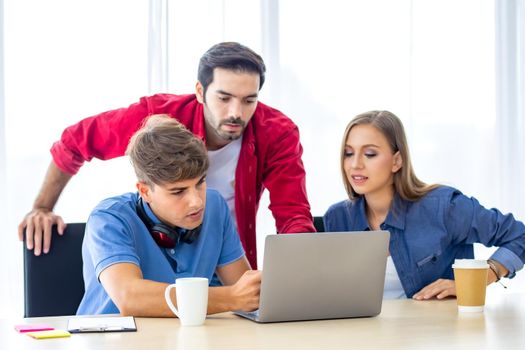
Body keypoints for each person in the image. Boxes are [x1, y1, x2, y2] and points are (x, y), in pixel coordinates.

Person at [18, 42, 314, 267]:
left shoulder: (277, 132)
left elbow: (293, 214)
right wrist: (42, 207)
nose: (236, 113)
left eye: (249, 100)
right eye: (224, 98)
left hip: (227, 264)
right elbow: (75, 142)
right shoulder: (158, 116)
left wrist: (299, 270)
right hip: (158, 262)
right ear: (200, 91)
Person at [323, 110, 525, 300]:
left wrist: (478, 280)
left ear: (397, 161)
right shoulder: (337, 218)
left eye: (370, 154)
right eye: (348, 153)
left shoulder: (444, 207)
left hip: (436, 334)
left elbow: (519, 236)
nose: (355, 164)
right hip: (362, 336)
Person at [77, 115, 260, 316]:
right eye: (178, 191)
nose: (197, 202)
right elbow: (130, 298)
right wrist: (231, 297)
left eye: (200, 183)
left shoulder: (215, 205)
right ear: (145, 191)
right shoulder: (108, 218)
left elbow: (248, 295)